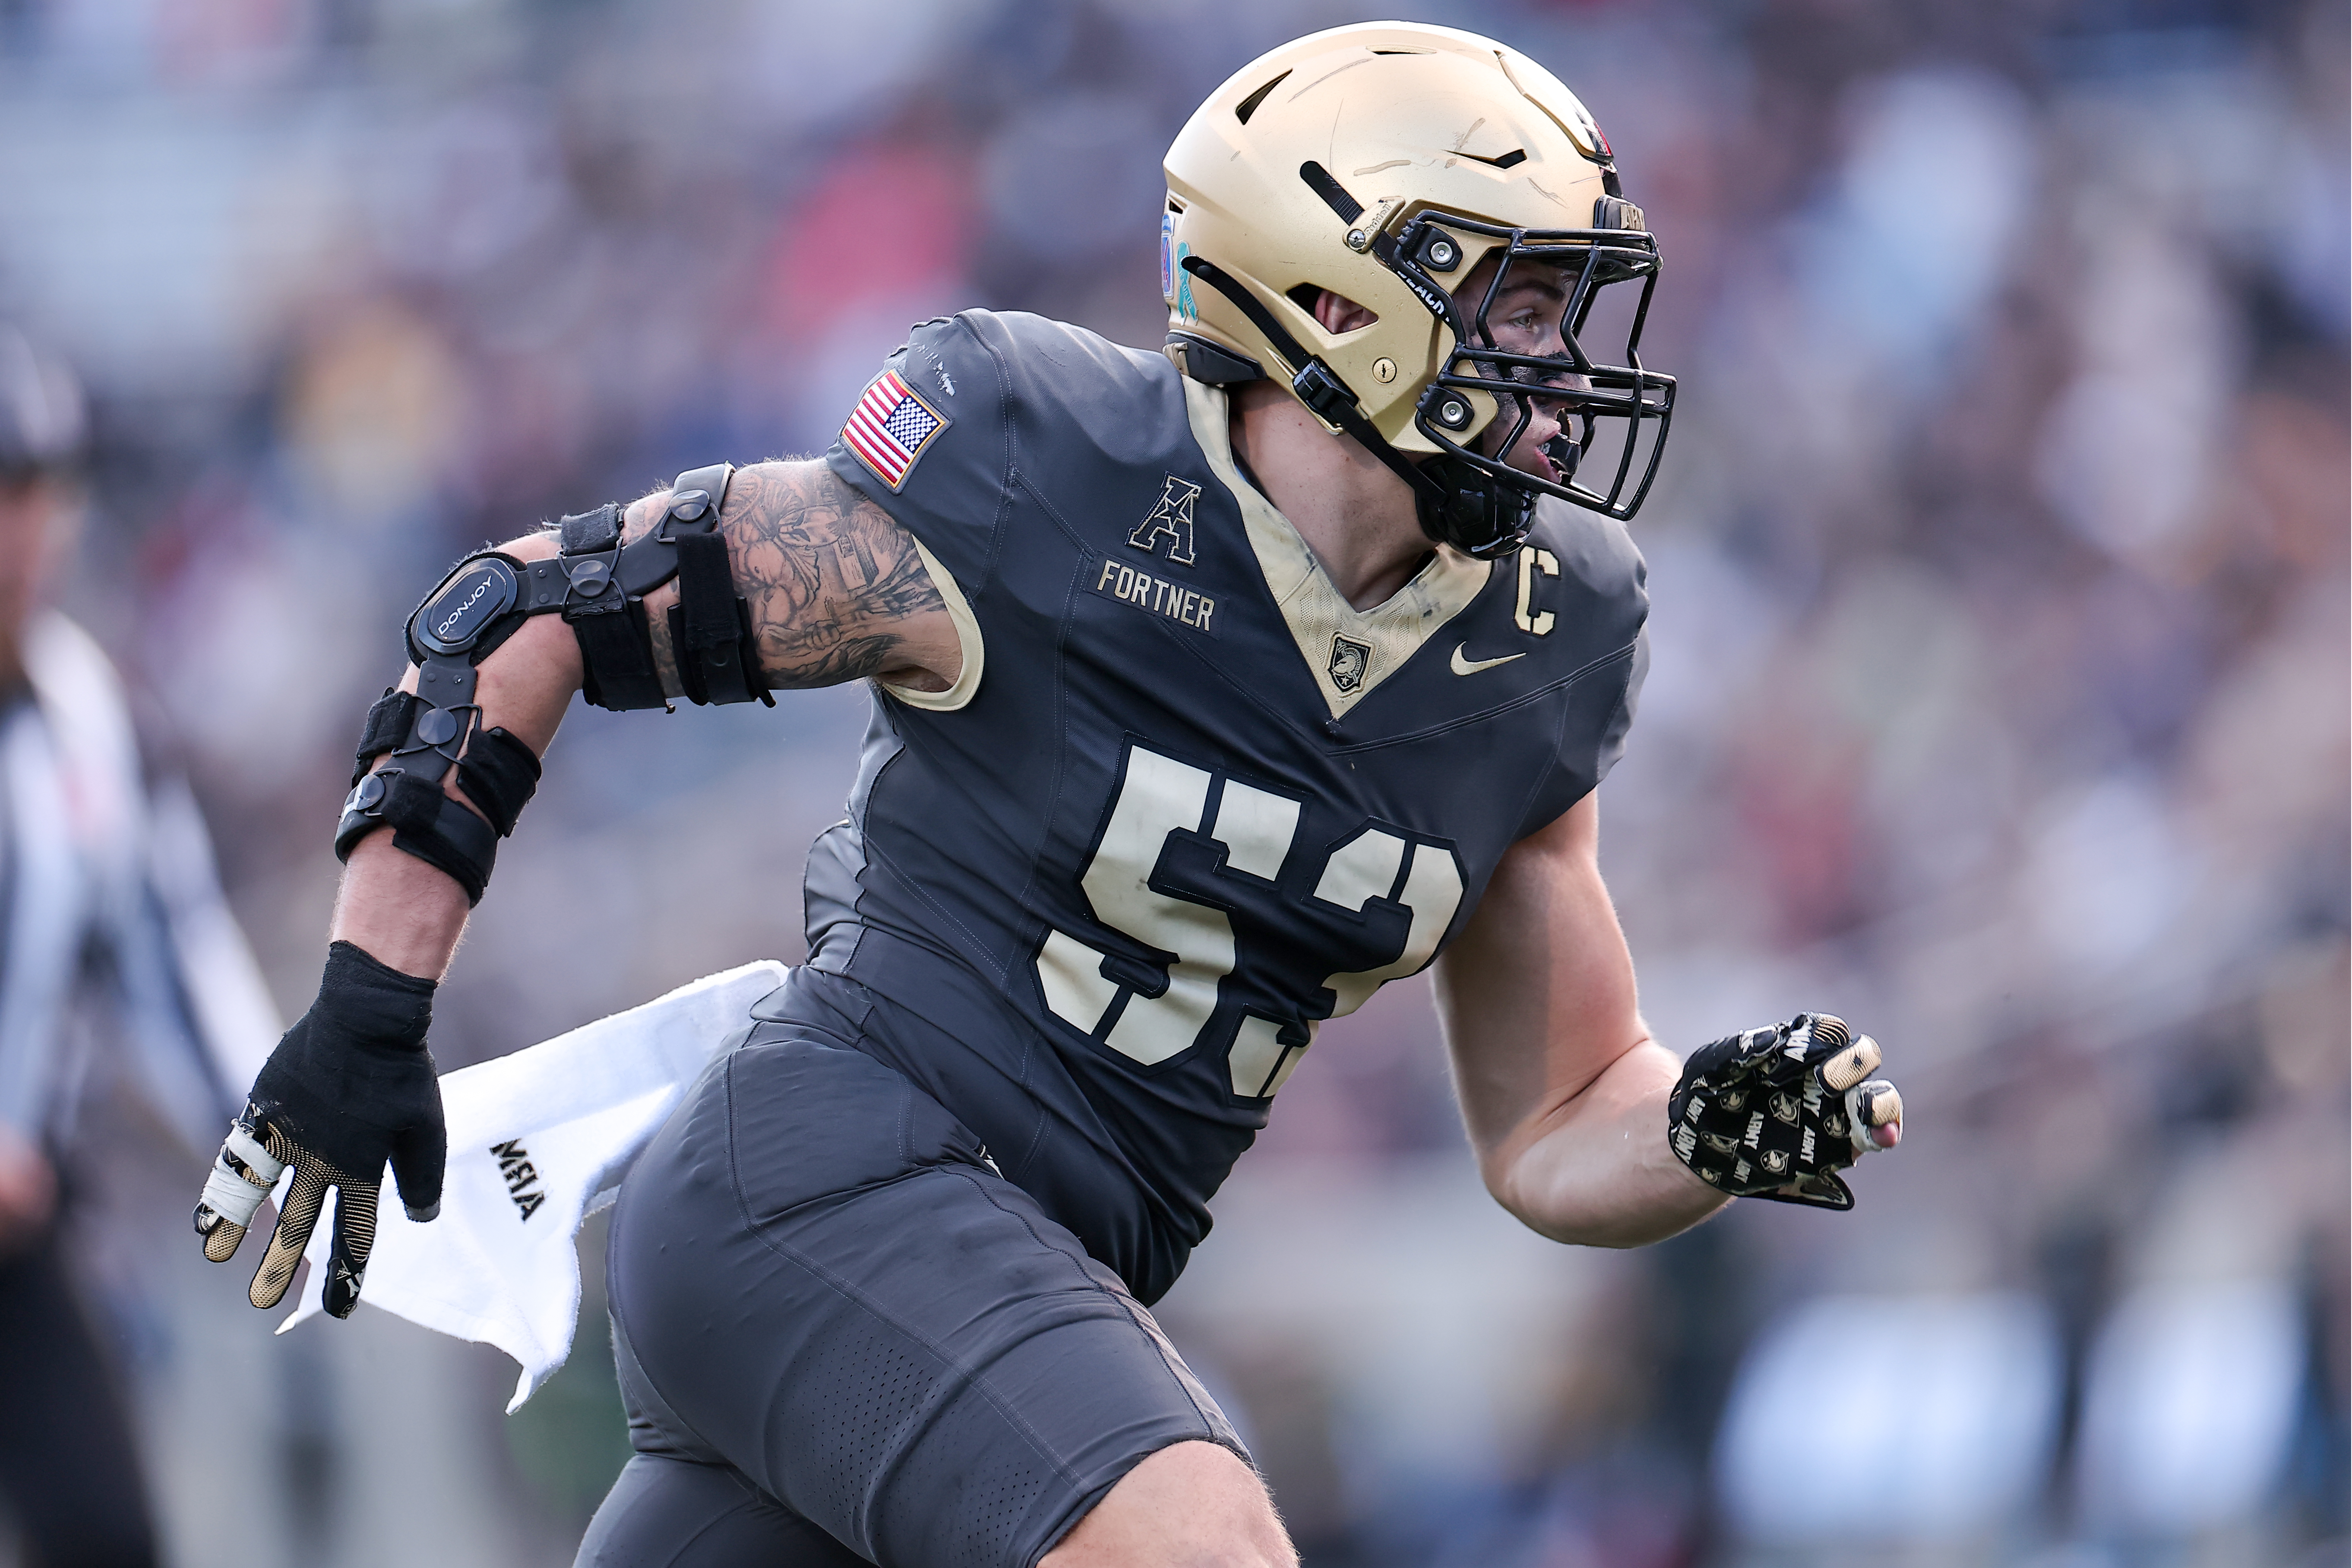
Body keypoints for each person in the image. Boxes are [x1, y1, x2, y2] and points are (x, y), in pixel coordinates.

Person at [194, 23, 1903, 1567]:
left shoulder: (1544, 643)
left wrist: (1699, 1129)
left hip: (1014, 1282)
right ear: (1334, 303)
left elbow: (1555, 1114)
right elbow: (522, 613)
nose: (1556, 370)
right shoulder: (1043, 469)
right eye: (1515, 308)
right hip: (831, 1180)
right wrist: (365, 1012)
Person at [0, 325, 280, 1566]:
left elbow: (175, 965)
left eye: (39, 493)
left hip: (19, 1218)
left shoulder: (85, 718)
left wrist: (289, 1142)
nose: (21, 533)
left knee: (107, 1533)